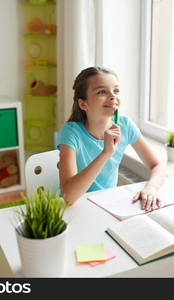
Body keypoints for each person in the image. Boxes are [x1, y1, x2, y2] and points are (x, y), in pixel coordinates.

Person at [58, 66, 166, 212]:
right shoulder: (71, 132)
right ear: (83, 104)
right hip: (77, 207)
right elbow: (68, 197)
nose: (113, 96)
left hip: (107, 206)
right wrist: (106, 153)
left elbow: (157, 166)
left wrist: (151, 188)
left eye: (116, 91)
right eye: (102, 92)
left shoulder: (125, 125)